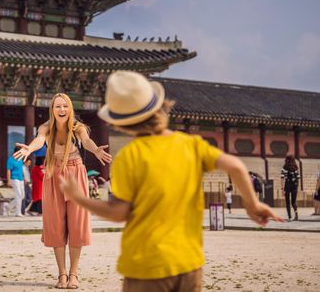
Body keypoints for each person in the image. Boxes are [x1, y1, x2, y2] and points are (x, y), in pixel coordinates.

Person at [59, 71, 284, 292]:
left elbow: (119, 212)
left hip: (145, 265)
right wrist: (253, 205)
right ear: (159, 106)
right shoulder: (190, 144)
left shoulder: (131, 156)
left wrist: (79, 198)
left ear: (121, 123)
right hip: (188, 263)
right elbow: (235, 166)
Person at [14, 93, 112, 289]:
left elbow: (86, 141)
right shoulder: (46, 127)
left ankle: (74, 274)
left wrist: (96, 151)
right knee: (55, 225)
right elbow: (40, 140)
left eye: (65, 106)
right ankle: (62, 274)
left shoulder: (78, 128)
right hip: (53, 174)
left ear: (70, 109)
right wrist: (29, 150)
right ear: (52, 109)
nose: (61, 110)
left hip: (76, 173)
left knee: (77, 224)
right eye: (57, 106)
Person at [281, 156, 301, 221]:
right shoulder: (296, 168)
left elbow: (282, 179)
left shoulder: (284, 168)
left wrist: (282, 189)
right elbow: (298, 178)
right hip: (294, 185)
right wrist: (297, 187)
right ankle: (296, 214)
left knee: (287, 202)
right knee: (293, 202)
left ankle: (289, 217)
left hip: (287, 185)